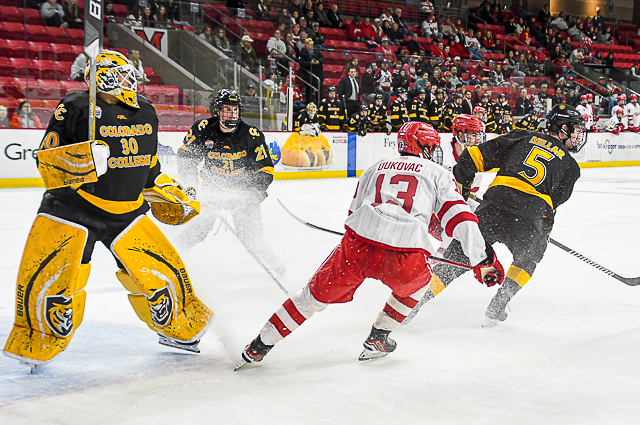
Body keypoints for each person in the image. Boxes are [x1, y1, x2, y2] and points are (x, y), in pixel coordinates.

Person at [3, 50, 213, 370]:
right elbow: (47, 162)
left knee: (162, 276)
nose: (131, 81)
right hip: (73, 208)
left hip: (127, 211)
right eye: (123, 75)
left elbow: (148, 166)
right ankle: (38, 338)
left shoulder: (145, 111)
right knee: (56, 282)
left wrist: (166, 190)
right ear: (103, 78)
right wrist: (81, 159)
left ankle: (176, 330)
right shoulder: (75, 107)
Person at [235, 121, 504, 369]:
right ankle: (378, 337)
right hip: (405, 255)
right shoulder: (438, 173)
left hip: (357, 247)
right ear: (422, 146)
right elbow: (462, 220)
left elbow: (352, 213)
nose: (434, 152)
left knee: (310, 298)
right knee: (418, 285)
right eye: (432, 146)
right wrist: (483, 261)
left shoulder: (375, 167)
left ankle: (259, 345)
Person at [419, 104, 585, 327]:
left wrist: (462, 193)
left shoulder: (522, 136)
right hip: (532, 216)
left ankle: (417, 300)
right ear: (563, 129)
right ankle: (500, 302)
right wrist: (540, 234)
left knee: (459, 254)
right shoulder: (571, 167)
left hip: (495, 206)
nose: (578, 135)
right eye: (576, 129)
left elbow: (470, 158)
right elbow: (553, 205)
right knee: (528, 260)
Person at [175, 89, 285, 275]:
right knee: (196, 230)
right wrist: (191, 185)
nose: (232, 114)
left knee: (253, 238)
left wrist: (257, 191)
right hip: (211, 192)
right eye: (227, 109)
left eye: (235, 110)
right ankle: (172, 257)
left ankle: (272, 260)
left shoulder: (251, 134)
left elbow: (265, 168)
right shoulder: (203, 129)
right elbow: (186, 156)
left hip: (243, 194)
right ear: (218, 111)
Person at [298, 39, 324, 103]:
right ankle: (309, 104)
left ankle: (319, 104)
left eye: (312, 45)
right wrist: (310, 62)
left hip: (317, 73)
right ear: (306, 45)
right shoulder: (303, 52)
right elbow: (302, 62)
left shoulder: (316, 51)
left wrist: (318, 62)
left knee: (319, 90)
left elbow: (322, 58)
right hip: (308, 74)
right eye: (310, 45)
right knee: (309, 91)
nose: (311, 46)